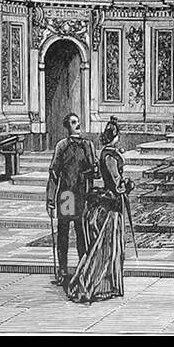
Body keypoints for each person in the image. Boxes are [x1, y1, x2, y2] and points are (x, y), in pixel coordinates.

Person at [67, 119, 132, 304]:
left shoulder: (107, 153)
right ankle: (94, 284)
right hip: (111, 204)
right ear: (116, 137)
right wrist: (126, 186)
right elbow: (116, 182)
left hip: (111, 201)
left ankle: (110, 285)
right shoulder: (110, 156)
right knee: (107, 248)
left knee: (111, 248)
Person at [46, 112, 96, 287]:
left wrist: (91, 174)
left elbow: (94, 169)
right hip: (66, 196)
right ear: (67, 126)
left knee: (82, 234)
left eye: (79, 122)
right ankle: (63, 271)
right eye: (74, 123)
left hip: (82, 194)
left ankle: (84, 268)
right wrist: (50, 199)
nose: (78, 125)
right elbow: (53, 173)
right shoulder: (62, 145)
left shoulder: (88, 146)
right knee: (63, 235)